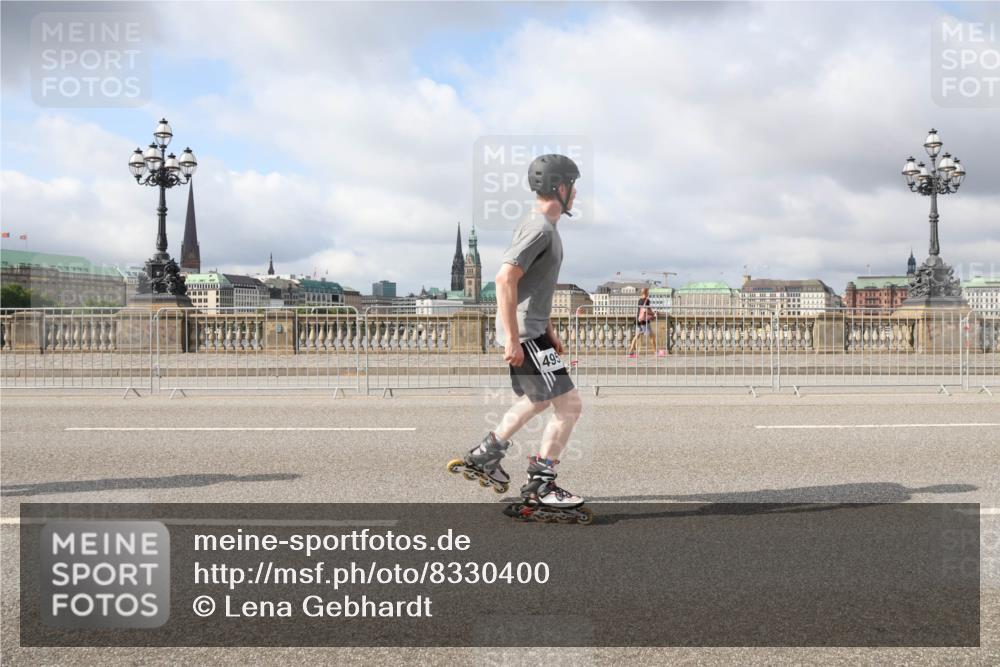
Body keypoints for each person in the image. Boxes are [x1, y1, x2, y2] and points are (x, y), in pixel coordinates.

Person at [447, 154, 591, 524]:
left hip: (532, 331)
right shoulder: (540, 228)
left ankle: (486, 454)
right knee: (569, 407)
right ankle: (541, 484)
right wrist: (514, 338)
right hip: (525, 335)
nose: (576, 193)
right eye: (573, 186)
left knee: (539, 400)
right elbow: (505, 278)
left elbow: (532, 286)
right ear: (560, 187)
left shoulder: (542, 226)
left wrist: (548, 328)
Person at [626, 286, 660, 357]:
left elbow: (642, 310)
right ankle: (655, 352)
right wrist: (654, 313)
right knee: (652, 336)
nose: (648, 293)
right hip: (644, 322)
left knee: (636, 336)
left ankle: (631, 351)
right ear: (646, 292)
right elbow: (646, 310)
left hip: (638, 320)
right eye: (648, 292)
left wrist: (652, 312)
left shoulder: (639, 300)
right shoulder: (647, 300)